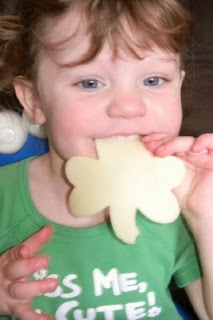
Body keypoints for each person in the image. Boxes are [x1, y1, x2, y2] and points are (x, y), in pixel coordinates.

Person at [0, 0, 213, 319]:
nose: (129, 107)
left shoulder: (178, 200)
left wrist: (205, 216)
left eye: (153, 80)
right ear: (35, 100)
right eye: (90, 83)